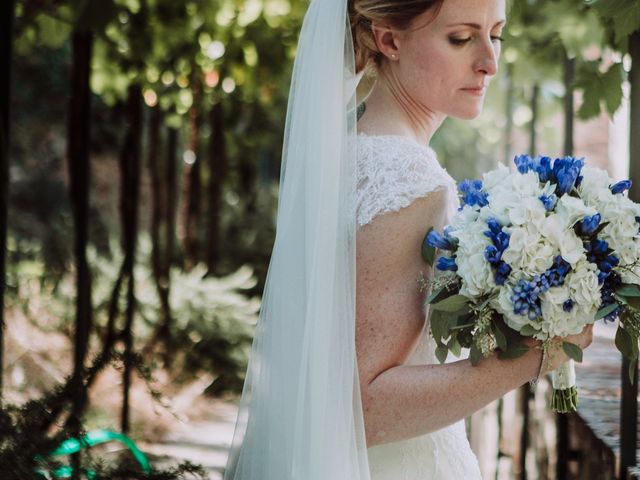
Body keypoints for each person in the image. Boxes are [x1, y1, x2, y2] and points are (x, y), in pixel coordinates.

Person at [223, 0, 594, 478]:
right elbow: (362, 408)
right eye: (461, 38)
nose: (490, 61)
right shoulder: (409, 180)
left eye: (495, 35)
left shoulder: (350, 154)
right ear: (389, 40)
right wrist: (538, 355)